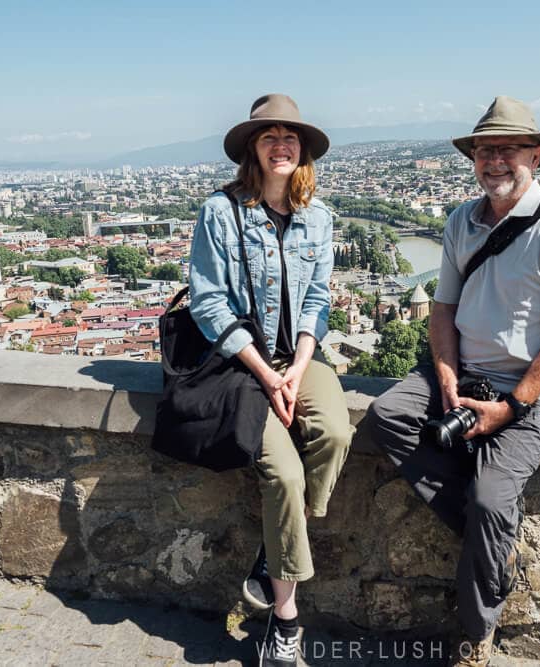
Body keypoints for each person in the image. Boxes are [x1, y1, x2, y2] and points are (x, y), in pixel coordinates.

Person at [365, 96, 540, 667]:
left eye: (506, 149)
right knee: (386, 418)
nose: (493, 159)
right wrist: (445, 373)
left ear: (536, 156)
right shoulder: (460, 221)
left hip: (532, 385)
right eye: (483, 150)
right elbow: (442, 309)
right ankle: (493, 553)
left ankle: (475, 633)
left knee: (491, 499)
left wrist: (513, 408)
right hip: (464, 371)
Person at [188, 94, 353, 667]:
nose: (281, 145)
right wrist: (266, 374)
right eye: (269, 136)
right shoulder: (221, 211)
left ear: (302, 149)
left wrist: (298, 370)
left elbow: (317, 300)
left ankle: (277, 547)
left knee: (334, 433)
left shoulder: (319, 216)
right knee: (281, 474)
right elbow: (208, 302)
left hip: (299, 359)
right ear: (253, 150)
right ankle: (286, 623)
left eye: (290, 137)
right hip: (240, 366)